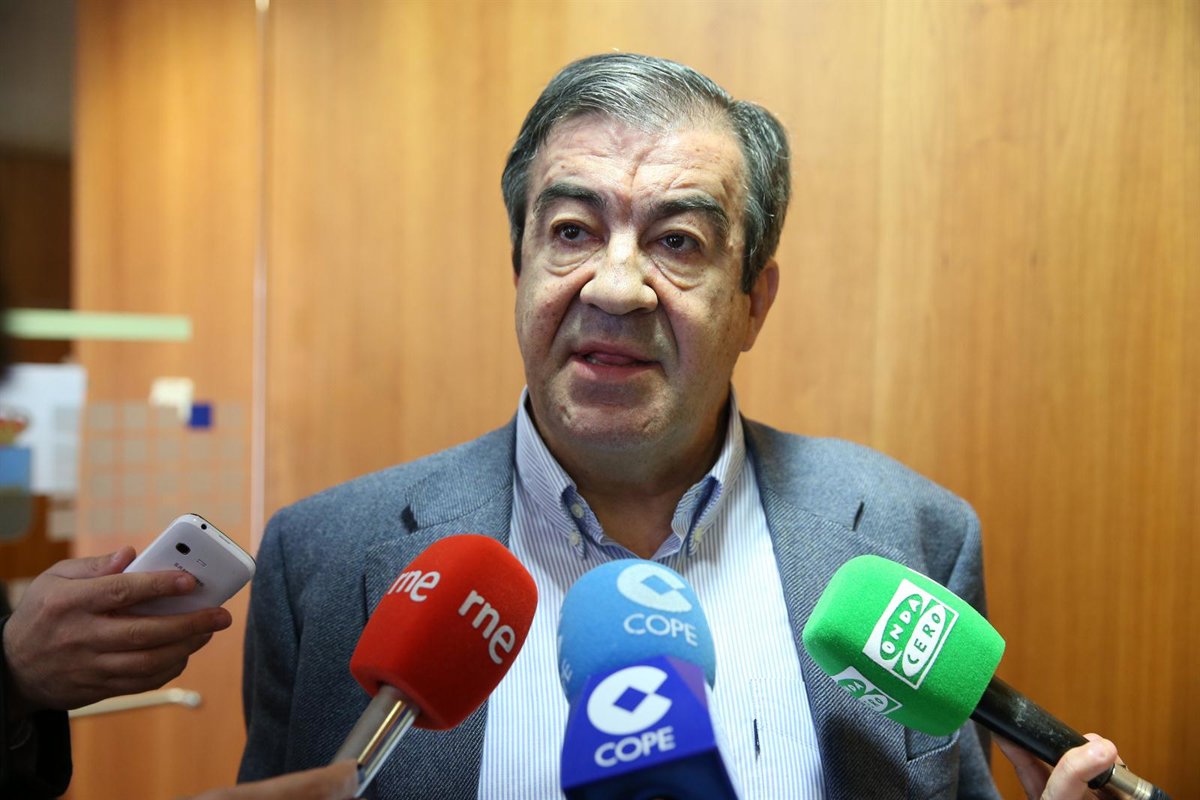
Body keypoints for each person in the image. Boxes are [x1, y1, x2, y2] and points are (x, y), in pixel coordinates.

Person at [238, 53, 1122, 798]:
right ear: (519, 268)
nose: (615, 288)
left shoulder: (912, 536)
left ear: (753, 304)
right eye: (573, 231)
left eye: (678, 243)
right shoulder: (321, 562)